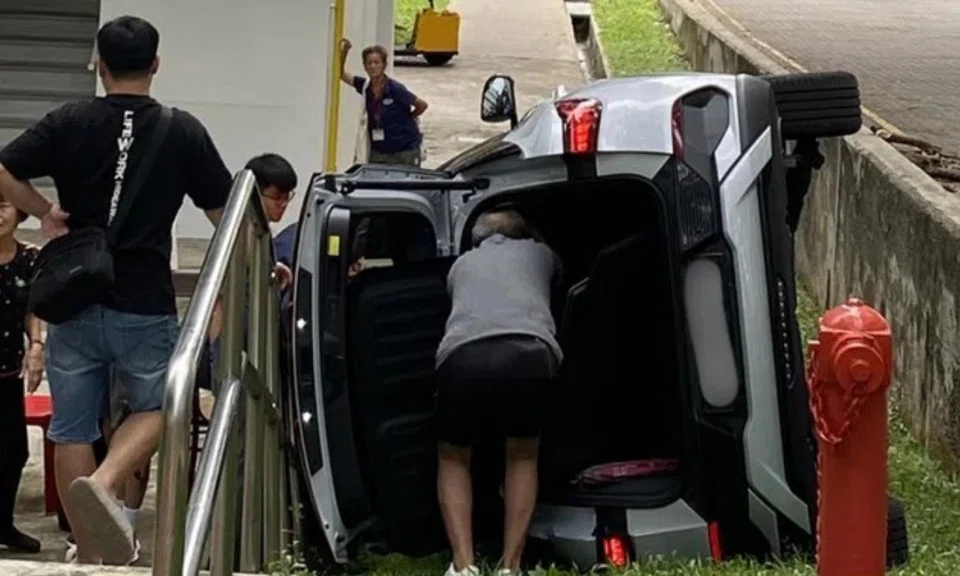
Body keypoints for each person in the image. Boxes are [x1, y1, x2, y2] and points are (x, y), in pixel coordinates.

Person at [0, 15, 232, 565]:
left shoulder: (69, 119)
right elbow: (225, 215)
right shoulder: (182, 130)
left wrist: (44, 212)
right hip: (143, 299)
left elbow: (4, 168)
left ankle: (88, 552)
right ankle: (106, 483)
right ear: (155, 64)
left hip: (73, 297)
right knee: (164, 406)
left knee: (71, 426)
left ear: (99, 66)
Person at [434, 209, 563, 576]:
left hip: (463, 356)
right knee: (522, 454)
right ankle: (511, 566)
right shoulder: (541, 253)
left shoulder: (460, 265)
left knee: (454, 456)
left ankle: (463, 566)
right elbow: (560, 279)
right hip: (531, 352)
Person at [0, 201, 42, 554]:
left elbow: (32, 307)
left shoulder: (29, 257)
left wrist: (37, 344)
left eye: (3, 206)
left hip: (8, 370)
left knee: (15, 450)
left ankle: (3, 523)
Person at [340, 38, 429, 166]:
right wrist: (344, 52)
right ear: (364, 66)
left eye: (377, 62)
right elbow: (342, 75)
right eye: (369, 63)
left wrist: (408, 117)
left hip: (405, 151)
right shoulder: (365, 86)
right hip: (380, 152)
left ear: (384, 65)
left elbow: (422, 105)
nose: (373, 66)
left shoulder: (395, 89)